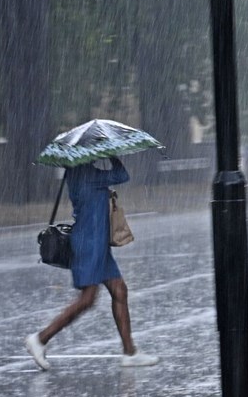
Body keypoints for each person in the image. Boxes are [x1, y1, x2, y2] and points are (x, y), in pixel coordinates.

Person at [25, 156, 158, 370]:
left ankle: (130, 352)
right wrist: (112, 156)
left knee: (119, 291)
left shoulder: (77, 173)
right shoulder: (89, 175)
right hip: (89, 246)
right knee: (87, 299)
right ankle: (40, 339)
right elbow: (122, 175)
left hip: (96, 245)